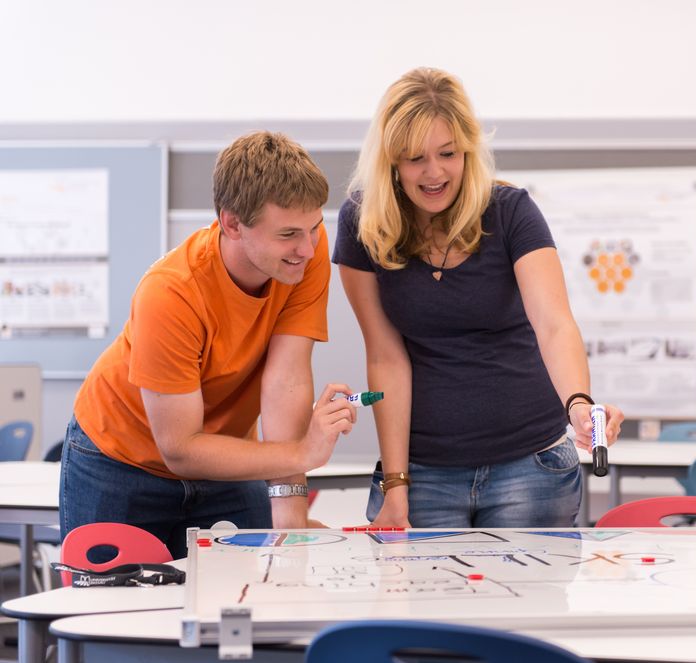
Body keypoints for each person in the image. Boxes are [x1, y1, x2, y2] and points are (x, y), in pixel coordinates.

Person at [333, 67, 624, 528]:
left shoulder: (511, 212)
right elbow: (385, 357)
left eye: (448, 154)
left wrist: (579, 403)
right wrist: (396, 484)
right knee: (409, 599)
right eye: (415, 159)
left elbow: (554, 325)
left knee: (525, 602)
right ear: (390, 161)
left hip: (531, 467)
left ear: (468, 149)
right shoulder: (362, 223)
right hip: (423, 471)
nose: (434, 173)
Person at [60, 131, 357, 559]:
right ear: (232, 223)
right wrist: (303, 452)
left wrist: (291, 520)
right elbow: (180, 448)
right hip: (120, 460)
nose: (308, 248)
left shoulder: (303, 253)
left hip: (225, 455)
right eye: (289, 233)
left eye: (314, 228)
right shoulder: (170, 293)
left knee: (250, 598)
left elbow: (286, 379)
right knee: (107, 617)